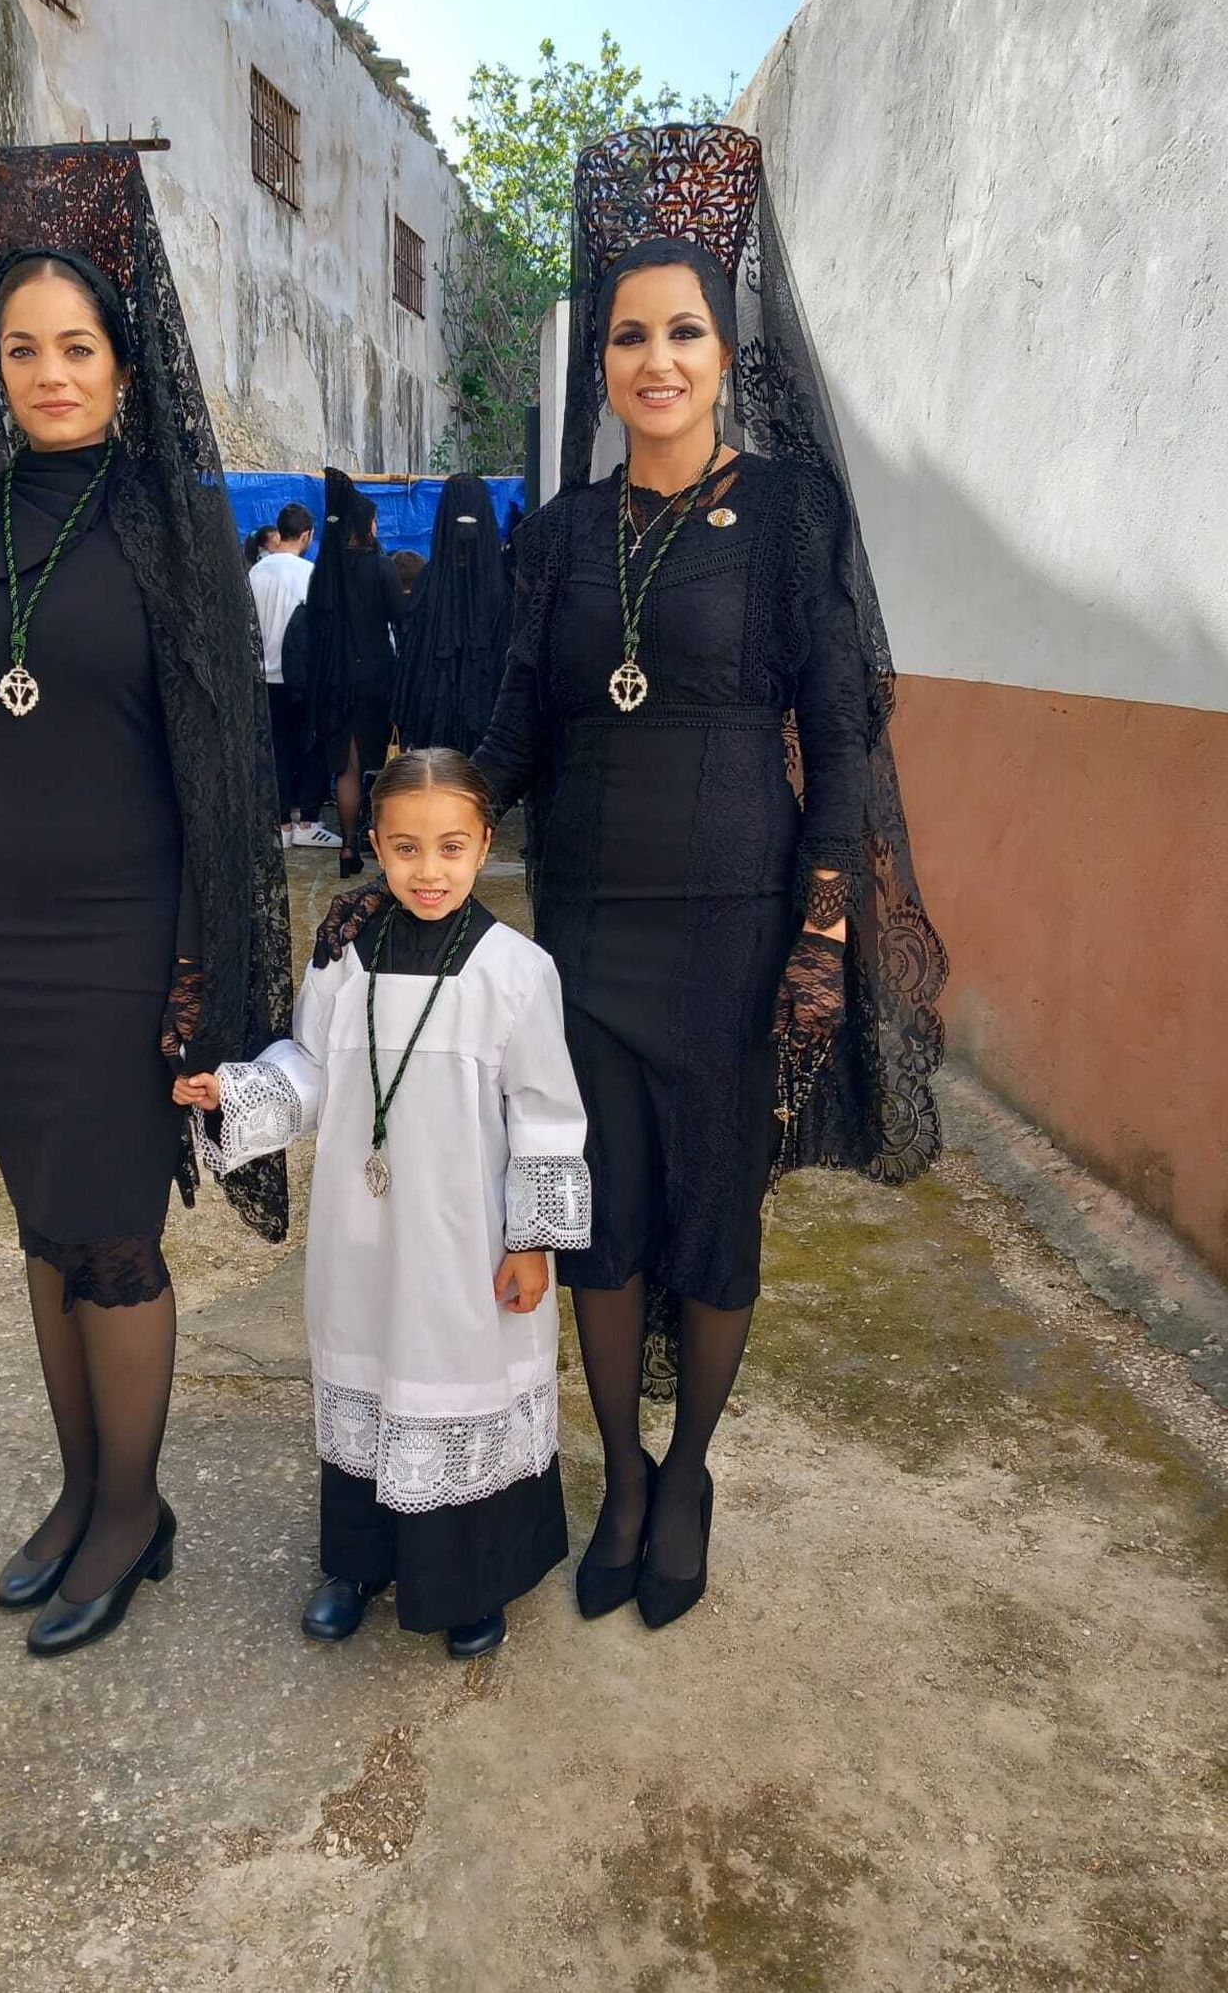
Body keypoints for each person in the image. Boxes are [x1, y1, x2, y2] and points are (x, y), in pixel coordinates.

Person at [317, 124, 947, 1632]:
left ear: (728, 350)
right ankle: (616, 1467)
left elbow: (845, 737)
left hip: (737, 932)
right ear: (599, 362)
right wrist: (414, 844)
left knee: (713, 1222)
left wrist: (823, 927)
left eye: (683, 331)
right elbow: (517, 727)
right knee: (596, 1217)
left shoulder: (793, 516)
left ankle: (691, 1470)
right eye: (627, 335)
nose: (655, 359)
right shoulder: (571, 533)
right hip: (586, 936)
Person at [0, 144, 291, 1658]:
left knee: (116, 1235)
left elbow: (227, 784)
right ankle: (82, 1490)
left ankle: (134, 1512)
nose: (50, 375)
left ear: (126, 360)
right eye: (21, 351)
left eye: (78, 347)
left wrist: (203, 969)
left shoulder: (180, 533)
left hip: (129, 946)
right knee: (46, 1233)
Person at [176, 749, 589, 1656]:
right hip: (364, 1232)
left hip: (466, 1238)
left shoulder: (516, 973)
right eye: (405, 848)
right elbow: (313, 1067)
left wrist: (534, 1241)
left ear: (485, 845)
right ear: (375, 845)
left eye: (450, 847)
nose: (428, 870)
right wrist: (240, 1092)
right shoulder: (346, 963)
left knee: (457, 1378)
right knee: (368, 1373)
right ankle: (357, 1561)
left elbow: (550, 1115)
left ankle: (472, 1578)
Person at [303, 468, 405, 875]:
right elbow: (400, 620)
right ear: (366, 527)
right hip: (374, 678)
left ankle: (347, 845)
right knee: (377, 767)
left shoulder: (323, 572)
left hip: (332, 681)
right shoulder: (380, 568)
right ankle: (380, 843)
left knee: (346, 767)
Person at [393, 473, 512, 756]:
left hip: (434, 718)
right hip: (489, 717)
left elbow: (411, 655)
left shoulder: (427, 583)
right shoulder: (502, 586)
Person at [247, 519, 340, 850]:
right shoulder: (308, 573)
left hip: (261, 676)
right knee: (310, 747)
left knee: (275, 750)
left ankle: (282, 825)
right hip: (300, 678)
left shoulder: (255, 572)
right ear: (306, 535)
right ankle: (308, 822)